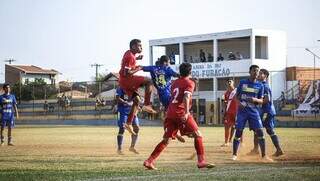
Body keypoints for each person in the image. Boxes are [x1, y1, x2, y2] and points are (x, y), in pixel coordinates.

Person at [143, 63, 215, 170]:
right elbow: (186, 97)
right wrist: (186, 112)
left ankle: (149, 161)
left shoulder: (174, 83)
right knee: (198, 135)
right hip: (180, 112)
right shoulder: (190, 82)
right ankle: (201, 161)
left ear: (180, 72)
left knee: (166, 140)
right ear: (190, 72)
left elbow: (175, 96)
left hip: (170, 112)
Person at [232, 65, 272, 162]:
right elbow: (236, 97)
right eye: (254, 71)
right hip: (242, 112)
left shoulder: (260, 85)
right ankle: (234, 155)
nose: (256, 73)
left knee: (260, 132)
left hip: (254, 111)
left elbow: (262, 100)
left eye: (257, 71)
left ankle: (264, 156)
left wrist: (255, 99)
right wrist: (239, 104)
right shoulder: (242, 82)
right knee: (238, 132)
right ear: (250, 72)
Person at [118, 39, 157, 135]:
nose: (141, 47)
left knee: (137, 100)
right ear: (133, 46)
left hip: (123, 82)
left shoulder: (130, 54)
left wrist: (137, 59)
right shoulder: (130, 56)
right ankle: (147, 105)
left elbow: (128, 65)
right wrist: (138, 68)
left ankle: (128, 123)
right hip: (127, 80)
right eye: (139, 46)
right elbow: (127, 73)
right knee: (149, 81)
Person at [142, 55, 185, 143]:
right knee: (179, 111)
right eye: (169, 62)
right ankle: (179, 131)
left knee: (169, 115)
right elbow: (178, 75)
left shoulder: (153, 68)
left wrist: (131, 69)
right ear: (165, 62)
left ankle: (171, 131)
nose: (169, 64)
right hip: (169, 95)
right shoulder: (167, 69)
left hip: (162, 96)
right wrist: (189, 79)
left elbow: (142, 68)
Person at [247, 69, 284, 157]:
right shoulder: (260, 85)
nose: (258, 75)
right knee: (264, 130)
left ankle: (259, 150)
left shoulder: (265, 86)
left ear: (265, 76)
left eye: (261, 73)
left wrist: (256, 101)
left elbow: (267, 100)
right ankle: (276, 149)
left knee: (260, 129)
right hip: (265, 111)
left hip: (267, 111)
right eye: (258, 73)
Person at [115, 87, 140, 155]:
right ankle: (119, 149)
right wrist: (125, 102)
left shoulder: (133, 88)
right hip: (122, 111)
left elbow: (137, 99)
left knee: (137, 128)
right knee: (122, 128)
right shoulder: (120, 88)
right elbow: (117, 98)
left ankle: (132, 147)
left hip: (132, 111)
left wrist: (138, 106)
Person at [221, 79, 239, 147]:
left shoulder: (237, 91)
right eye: (228, 82)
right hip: (229, 112)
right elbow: (224, 103)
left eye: (230, 81)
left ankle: (241, 141)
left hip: (237, 112)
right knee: (227, 126)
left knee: (238, 127)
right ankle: (226, 142)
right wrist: (223, 111)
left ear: (233, 83)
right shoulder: (226, 93)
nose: (229, 82)